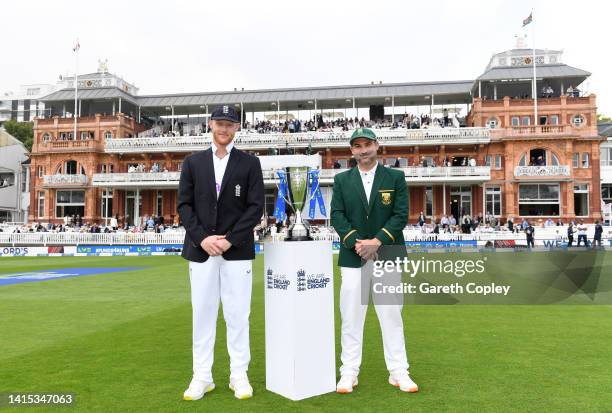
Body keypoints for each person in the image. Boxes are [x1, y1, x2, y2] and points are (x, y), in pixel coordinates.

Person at [178, 105, 265, 401]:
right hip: (201, 251)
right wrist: (204, 239)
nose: (224, 129)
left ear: (237, 128)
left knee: (238, 315)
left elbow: (255, 208)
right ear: (210, 125)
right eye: (219, 123)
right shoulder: (192, 163)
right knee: (202, 315)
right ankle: (202, 376)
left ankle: (238, 375)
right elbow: (184, 207)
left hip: (236, 250)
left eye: (230, 124)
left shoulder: (250, 163)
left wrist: (229, 240)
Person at [331, 127, 417, 394]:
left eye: (367, 144)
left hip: (387, 251)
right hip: (353, 253)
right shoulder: (342, 179)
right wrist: (358, 243)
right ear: (352, 151)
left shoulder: (395, 176)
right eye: (357, 145)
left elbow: (401, 215)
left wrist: (377, 241)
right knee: (351, 315)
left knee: (391, 314)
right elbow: (337, 215)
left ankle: (398, 371)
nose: (363, 149)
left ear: (377, 146)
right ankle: (349, 372)